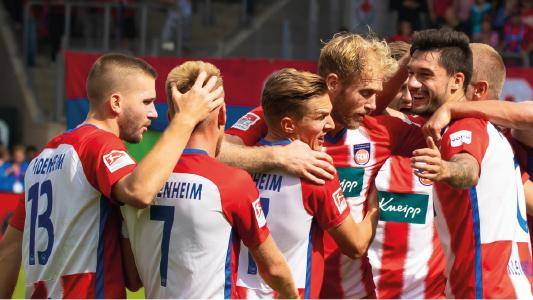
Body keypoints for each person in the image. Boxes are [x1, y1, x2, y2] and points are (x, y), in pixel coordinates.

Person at [0, 53, 223, 298]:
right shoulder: (98, 143)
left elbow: (9, 249)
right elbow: (140, 191)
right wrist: (186, 119)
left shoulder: (42, 157)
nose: (154, 113)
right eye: (147, 102)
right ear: (116, 103)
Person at [223, 32, 426, 298]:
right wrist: (278, 158)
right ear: (333, 83)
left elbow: (447, 138)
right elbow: (215, 152)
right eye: (365, 93)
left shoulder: (383, 130)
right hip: (291, 288)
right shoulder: (281, 117)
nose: (373, 105)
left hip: (352, 292)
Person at [120, 61, 298, 299]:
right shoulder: (231, 182)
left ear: (170, 115)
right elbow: (274, 268)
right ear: (223, 113)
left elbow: (132, 280)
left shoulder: (135, 181)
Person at [234, 68, 378, 299]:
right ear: (289, 125)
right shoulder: (316, 172)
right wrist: (374, 206)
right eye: (321, 117)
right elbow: (356, 246)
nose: (330, 124)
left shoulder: (236, 168)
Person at [409, 29, 532, 298]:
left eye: (427, 74)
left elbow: (467, 169)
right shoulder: (499, 137)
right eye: (411, 74)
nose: (413, 85)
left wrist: (446, 169)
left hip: (483, 288)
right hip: (512, 286)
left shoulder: (464, 128)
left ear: (462, 83)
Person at [368, 42, 446, 299]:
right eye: (399, 87)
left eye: (414, 88)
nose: (408, 97)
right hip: (360, 290)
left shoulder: (439, 137)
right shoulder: (348, 136)